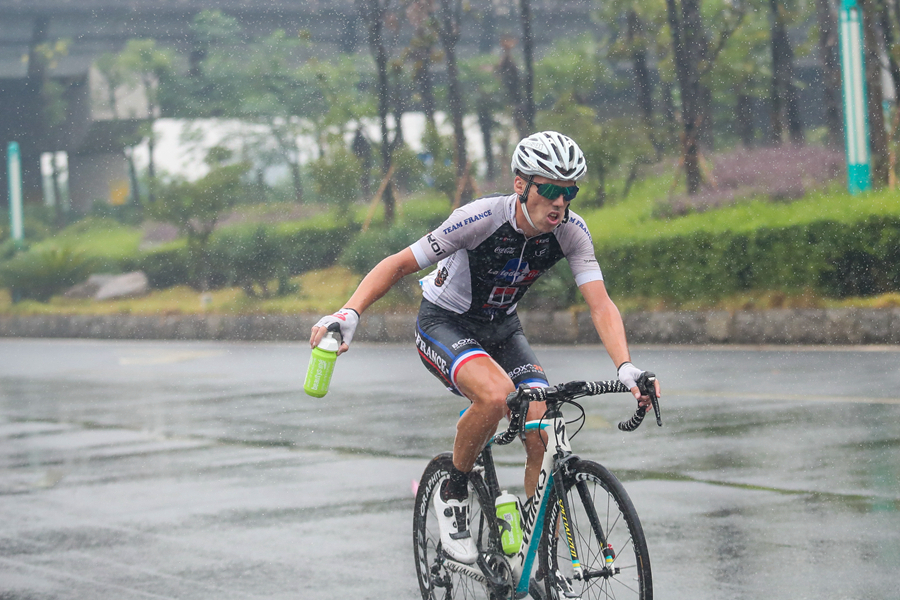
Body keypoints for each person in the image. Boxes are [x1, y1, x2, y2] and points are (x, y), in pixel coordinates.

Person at [310, 131, 661, 583]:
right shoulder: (478, 219)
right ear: (522, 185)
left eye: (569, 192)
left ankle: (533, 547)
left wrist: (626, 366)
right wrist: (349, 311)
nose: (560, 202)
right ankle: (453, 492)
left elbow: (600, 303)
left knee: (543, 418)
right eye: (550, 189)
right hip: (445, 323)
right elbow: (399, 263)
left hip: (502, 330)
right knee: (496, 396)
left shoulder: (572, 232)